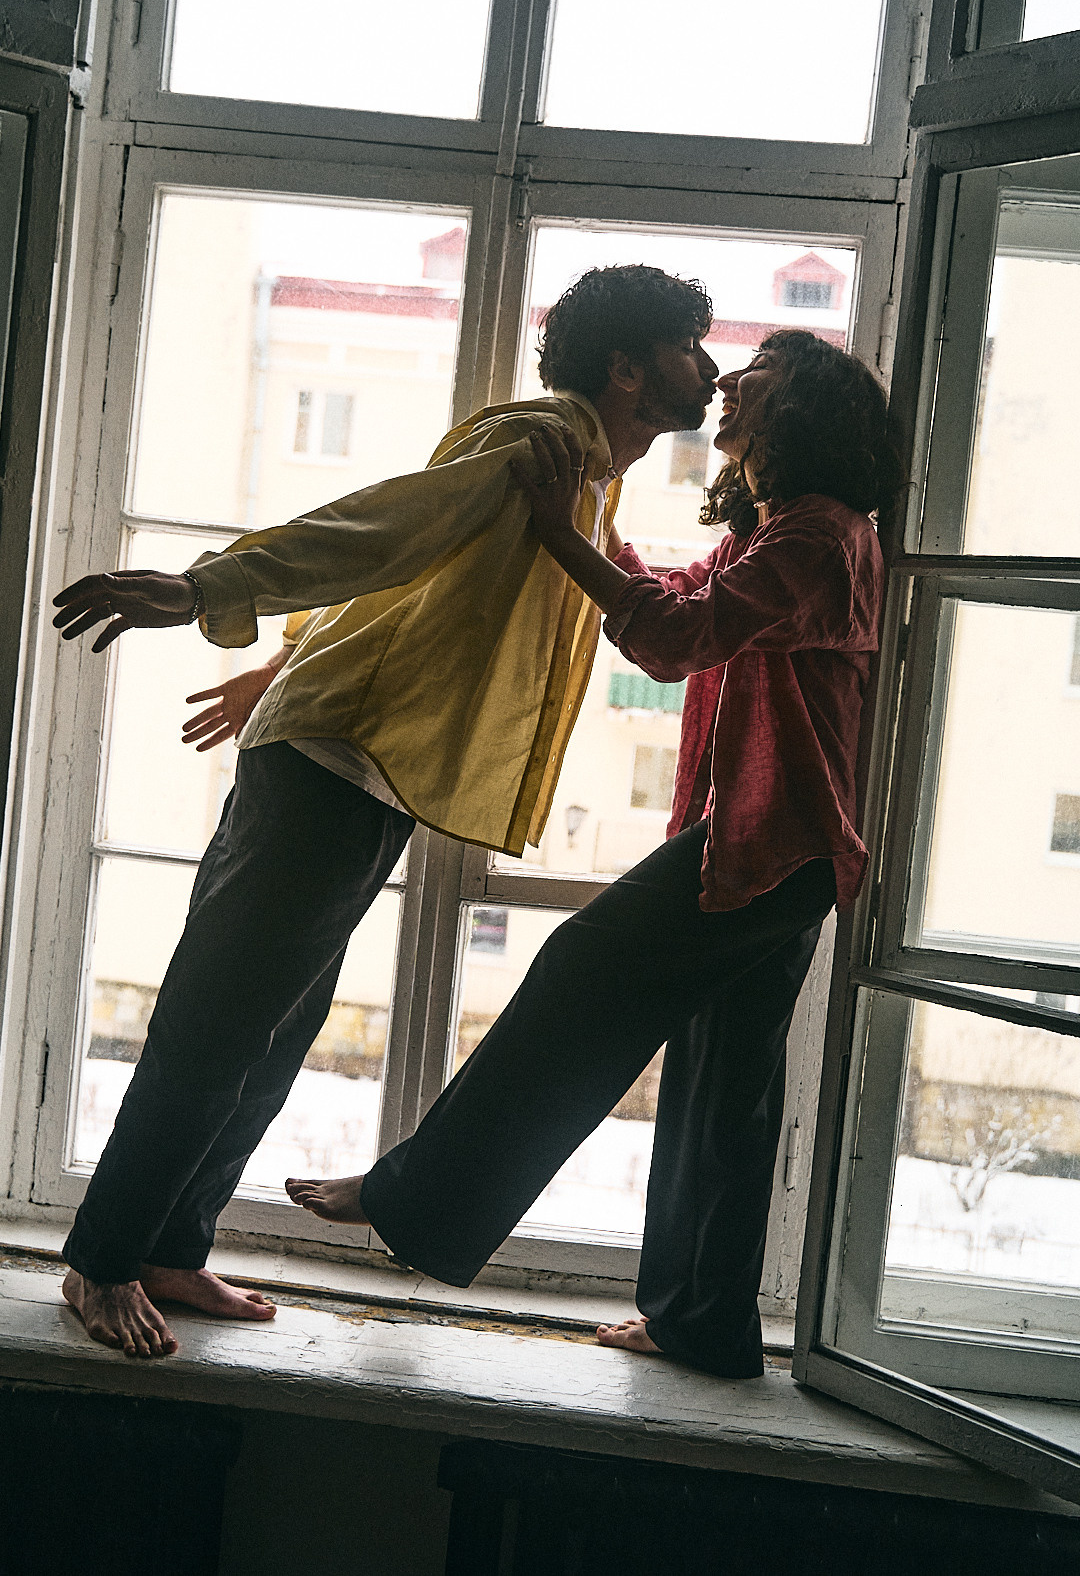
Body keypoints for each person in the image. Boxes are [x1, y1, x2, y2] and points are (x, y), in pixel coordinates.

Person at [51, 264, 720, 1358]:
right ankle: (102, 1260)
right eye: (692, 345)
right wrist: (207, 589)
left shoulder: (589, 484)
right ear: (628, 368)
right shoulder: (540, 444)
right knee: (220, 1022)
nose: (712, 366)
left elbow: (418, 586)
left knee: (274, 1030)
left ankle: (169, 1245)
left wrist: (283, 663)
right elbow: (383, 530)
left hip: (364, 767)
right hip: (330, 762)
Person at [285, 328, 904, 1379]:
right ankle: (702, 1326)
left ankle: (411, 1201)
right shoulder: (782, 529)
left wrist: (553, 528)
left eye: (757, 374)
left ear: (801, 410)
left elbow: (673, 639)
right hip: (777, 851)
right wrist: (589, 523)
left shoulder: (820, 536)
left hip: (775, 847)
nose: (730, 382)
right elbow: (667, 595)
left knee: (581, 968)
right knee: (724, 1086)